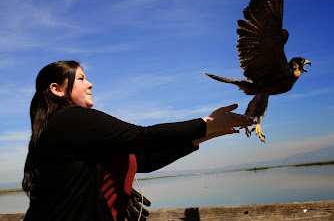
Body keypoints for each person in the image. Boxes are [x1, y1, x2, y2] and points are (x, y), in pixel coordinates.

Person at [22, 60, 255, 221]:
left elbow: (143, 161)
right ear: (57, 89)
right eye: (81, 78)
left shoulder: (67, 130)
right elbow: (143, 137)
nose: (90, 84)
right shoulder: (67, 119)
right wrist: (208, 122)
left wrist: (201, 137)